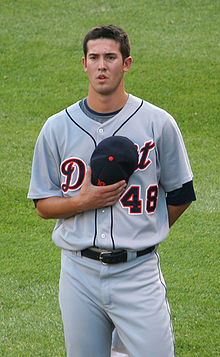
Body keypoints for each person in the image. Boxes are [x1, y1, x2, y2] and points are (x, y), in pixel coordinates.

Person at [28, 24, 196, 357]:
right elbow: (43, 204)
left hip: (139, 273)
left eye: (110, 57)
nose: (102, 65)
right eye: (94, 57)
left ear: (127, 63)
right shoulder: (56, 128)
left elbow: (180, 194)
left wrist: (144, 229)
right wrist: (81, 202)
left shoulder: (158, 123)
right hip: (79, 273)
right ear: (84, 64)